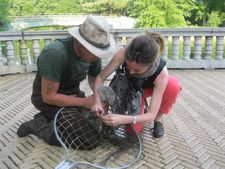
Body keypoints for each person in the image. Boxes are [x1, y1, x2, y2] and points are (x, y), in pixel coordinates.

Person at [17, 15, 116, 145]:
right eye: (94, 52)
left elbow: (93, 81)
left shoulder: (93, 56)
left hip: (73, 95)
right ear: (80, 43)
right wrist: (84, 102)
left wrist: (99, 100)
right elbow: (49, 97)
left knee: (98, 127)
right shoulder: (55, 53)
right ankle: (38, 125)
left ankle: (50, 118)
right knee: (88, 141)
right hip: (48, 101)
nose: (97, 56)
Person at [92, 31, 182, 138]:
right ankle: (140, 108)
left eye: (137, 70)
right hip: (132, 90)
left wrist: (123, 119)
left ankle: (158, 120)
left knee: (173, 85)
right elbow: (100, 78)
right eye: (129, 67)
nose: (131, 72)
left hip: (150, 88)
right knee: (132, 132)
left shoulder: (161, 72)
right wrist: (97, 102)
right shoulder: (122, 53)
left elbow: (151, 115)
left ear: (150, 66)